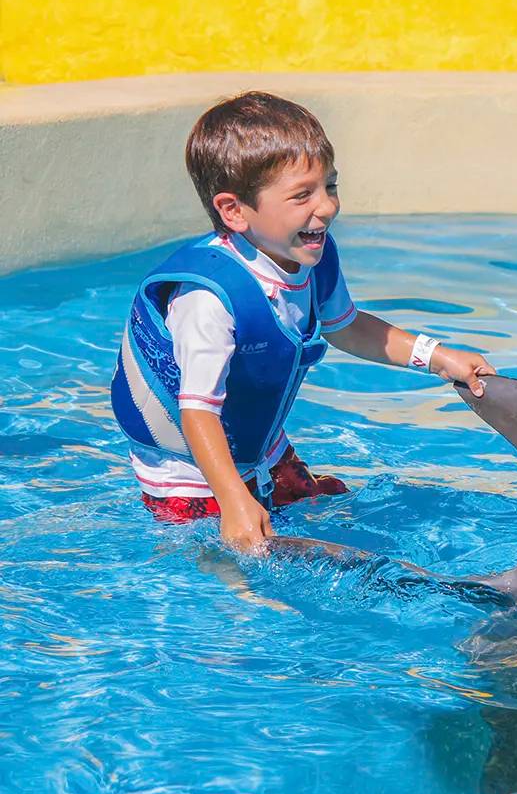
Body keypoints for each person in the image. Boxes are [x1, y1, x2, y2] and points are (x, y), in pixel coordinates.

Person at [111, 91, 495, 551]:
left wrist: (437, 357)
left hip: (266, 452)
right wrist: (232, 500)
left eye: (330, 186)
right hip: (191, 478)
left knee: (335, 522)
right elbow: (198, 412)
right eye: (302, 195)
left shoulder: (311, 257)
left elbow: (347, 328)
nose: (327, 207)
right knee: (242, 563)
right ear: (234, 211)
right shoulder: (209, 300)